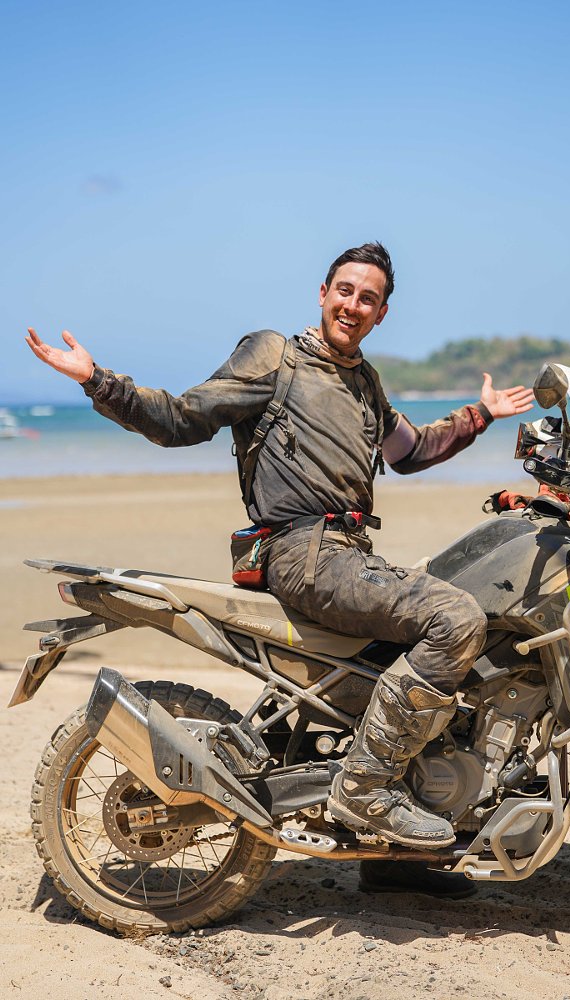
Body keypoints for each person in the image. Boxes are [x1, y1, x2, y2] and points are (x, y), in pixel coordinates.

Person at [26, 241, 533, 898]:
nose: (353, 305)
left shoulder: (364, 384)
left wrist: (480, 416)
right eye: (345, 290)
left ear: (381, 313)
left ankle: (394, 857)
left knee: (422, 645)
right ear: (322, 294)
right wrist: (97, 380)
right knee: (456, 618)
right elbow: (181, 419)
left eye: (368, 298)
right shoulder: (275, 357)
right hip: (305, 553)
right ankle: (366, 789)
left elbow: (409, 451)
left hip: (349, 555)